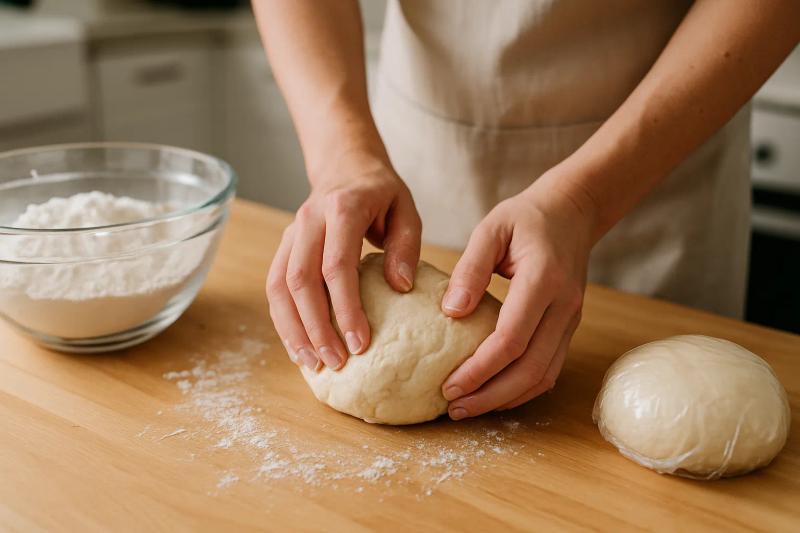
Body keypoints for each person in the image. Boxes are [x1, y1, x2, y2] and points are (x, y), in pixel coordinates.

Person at [254, 0, 799, 421]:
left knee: (684, 407)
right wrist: (341, 153)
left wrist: (585, 200)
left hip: (662, 139)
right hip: (423, 138)